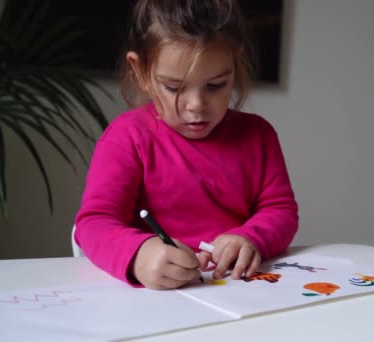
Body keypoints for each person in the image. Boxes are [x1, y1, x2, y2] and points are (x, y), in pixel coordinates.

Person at [75, 0, 298, 290]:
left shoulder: (259, 136)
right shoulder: (126, 138)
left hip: (235, 290)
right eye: (174, 88)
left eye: (216, 85)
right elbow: (94, 222)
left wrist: (250, 237)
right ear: (141, 71)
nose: (196, 106)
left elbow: (280, 210)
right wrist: (138, 255)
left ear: (235, 63)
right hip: (154, 297)